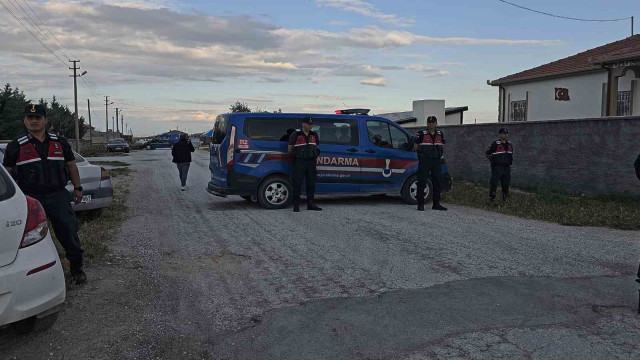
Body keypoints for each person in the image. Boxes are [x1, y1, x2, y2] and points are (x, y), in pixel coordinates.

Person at [2, 104, 86, 283]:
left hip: (58, 196)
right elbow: (7, 172)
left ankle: (77, 269)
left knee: (69, 233)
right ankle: (35, 276)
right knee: (30, 239)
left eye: (37, 117)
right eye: (29, 118)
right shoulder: (15, 146)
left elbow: (71, 165)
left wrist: (78, 188)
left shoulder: (60, 142)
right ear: (24, 120)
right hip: (30, 199)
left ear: (45, 120)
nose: (33, 121)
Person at [413, 116, 447, 211]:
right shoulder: (421, 134)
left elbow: (442, 146)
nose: (431, 124)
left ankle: (436, 204)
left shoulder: (440, 134)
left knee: (437, 181)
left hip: (436, 160)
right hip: (425, 160)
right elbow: (415, 147)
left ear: (436, 123)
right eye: (429, 122)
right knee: (422, 181)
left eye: (433, 122)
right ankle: (420, 204)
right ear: (427, 123)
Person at [288, 117, 322, 212]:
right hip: (299, 162)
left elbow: (316, 148)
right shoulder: (296, 134)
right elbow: (290, 149)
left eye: (311, 124)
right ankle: (296, 205)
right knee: (297, 183)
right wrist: (295, 159)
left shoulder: (314, 135)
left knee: (311, 183)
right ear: (303, 124)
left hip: (311, 162)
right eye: (308, 124)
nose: (310, 125)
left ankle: (310, 204)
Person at [486, 128, 514, 201]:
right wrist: (493, 162)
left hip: (507, 167)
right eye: (504, 133)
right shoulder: (495, 144)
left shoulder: (509, 144)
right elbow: (488, 154)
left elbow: (511, 155)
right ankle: (492, 196)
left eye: (506, 133)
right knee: (494, 181)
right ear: (500, 134)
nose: (505, 135)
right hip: (497, 167)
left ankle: (505, 195)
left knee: (506, 182)